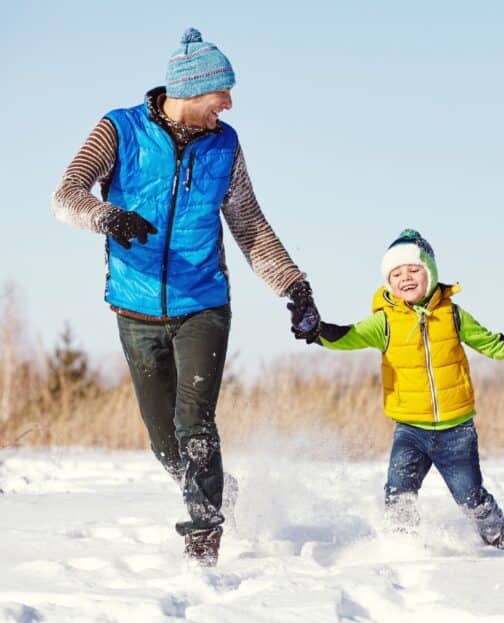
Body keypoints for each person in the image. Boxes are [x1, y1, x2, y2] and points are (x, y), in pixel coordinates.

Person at [51, 28, 320, 566]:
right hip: (135, 305)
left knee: (194, 422)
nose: (229, 105)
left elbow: (249, 225)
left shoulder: (226, 144)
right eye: (222, 94)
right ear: (194, 91)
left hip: (204, 304)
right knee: (163, 441)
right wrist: (107, 217)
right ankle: (215, 487)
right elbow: (66, 194)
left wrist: (294, 285)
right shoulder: (119, 129)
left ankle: (203, 537)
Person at [306, 229, 504, 550]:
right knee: (398, 492)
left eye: (414, 270)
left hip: (457, 431)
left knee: (470, 496)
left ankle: (502, 541)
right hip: (410, 430)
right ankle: (402, 547)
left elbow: (494, 345)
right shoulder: (385, 323)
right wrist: (315, 329)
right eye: (396, 273)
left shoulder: (453, 316)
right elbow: (347, 336)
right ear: (387, 283)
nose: (405, 278)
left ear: (431, 274)